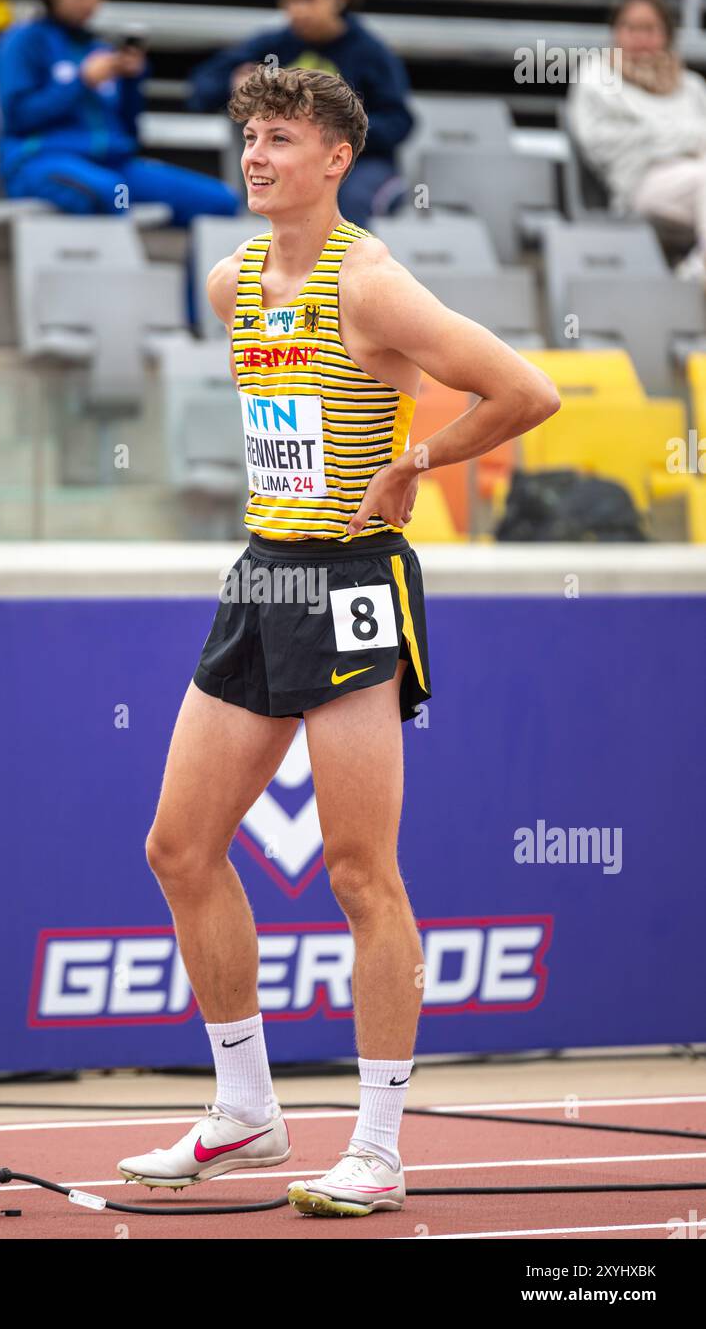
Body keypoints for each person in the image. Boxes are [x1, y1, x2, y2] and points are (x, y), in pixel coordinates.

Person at [116, 66, 560, 1216]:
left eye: (276, 139)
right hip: (263, 575)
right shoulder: (232, 280)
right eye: (246, 138)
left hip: (352, 586)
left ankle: (374, 1140)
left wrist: (419, 458)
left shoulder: (373, 287)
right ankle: (246, 1109)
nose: (254, 156)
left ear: (333, 159)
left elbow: (523, 390)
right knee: (178, 847)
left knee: (360, 873)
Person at [0, 0, 239, 228]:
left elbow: (129, 133)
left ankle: (201, 276)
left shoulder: (100, 49)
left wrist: (132, 81)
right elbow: (18, 117)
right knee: (106, 192)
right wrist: (81, 81)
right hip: (39, 162)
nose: (90, 1)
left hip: (113, 165)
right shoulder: (22, 41)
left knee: (220, 202)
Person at [187, 0, 413, 226]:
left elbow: (399, 121)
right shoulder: (274, 45)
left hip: (358, 166)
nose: (298, 10)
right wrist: (235, 83)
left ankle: (343, 269)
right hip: (290, 161)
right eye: (290, 0)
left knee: (338, 201)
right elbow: (201, 89)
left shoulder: (369, 52)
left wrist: (336, 134)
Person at [568, 0, 706, 280]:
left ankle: (697, 268)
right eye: (631, 28)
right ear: (616, 32)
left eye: (649, 29)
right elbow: (599, 143)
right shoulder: (596, 77)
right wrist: (685, 140)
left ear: (666, 35)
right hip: (641, 183)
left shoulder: (691, 85)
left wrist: (671, 138)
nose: (640, 38)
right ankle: (698, 275)